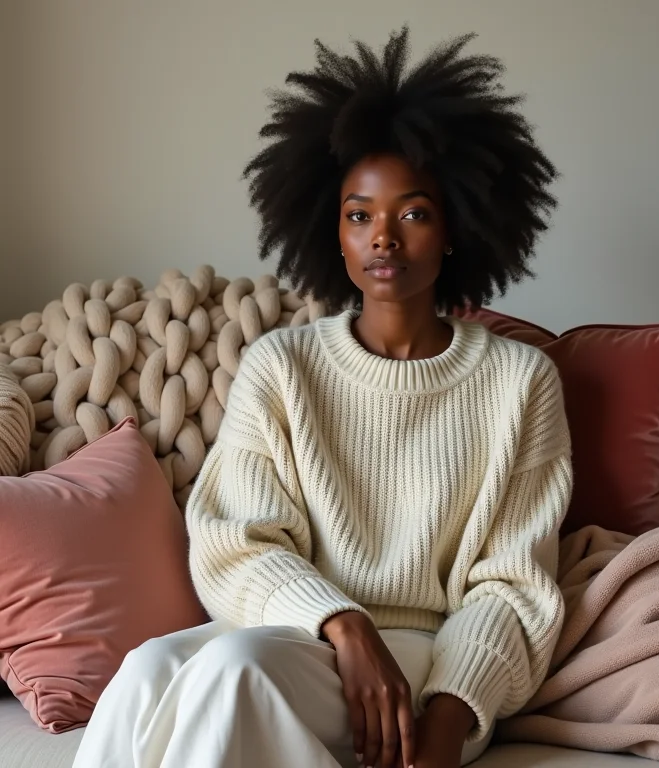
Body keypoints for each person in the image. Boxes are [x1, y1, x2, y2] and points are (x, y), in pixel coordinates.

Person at [73, 26, 572, 768]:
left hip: (425, 656)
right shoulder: (281, 366)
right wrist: (342, 622)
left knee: (239, 671)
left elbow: (514, 586)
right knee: (145, 670)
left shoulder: (519, 382)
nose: (384, 238)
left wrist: (449, 716)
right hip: (301, 630)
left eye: (413, 213)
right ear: (332, 233)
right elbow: (233, 544)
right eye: (359, 215)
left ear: (455, 228)